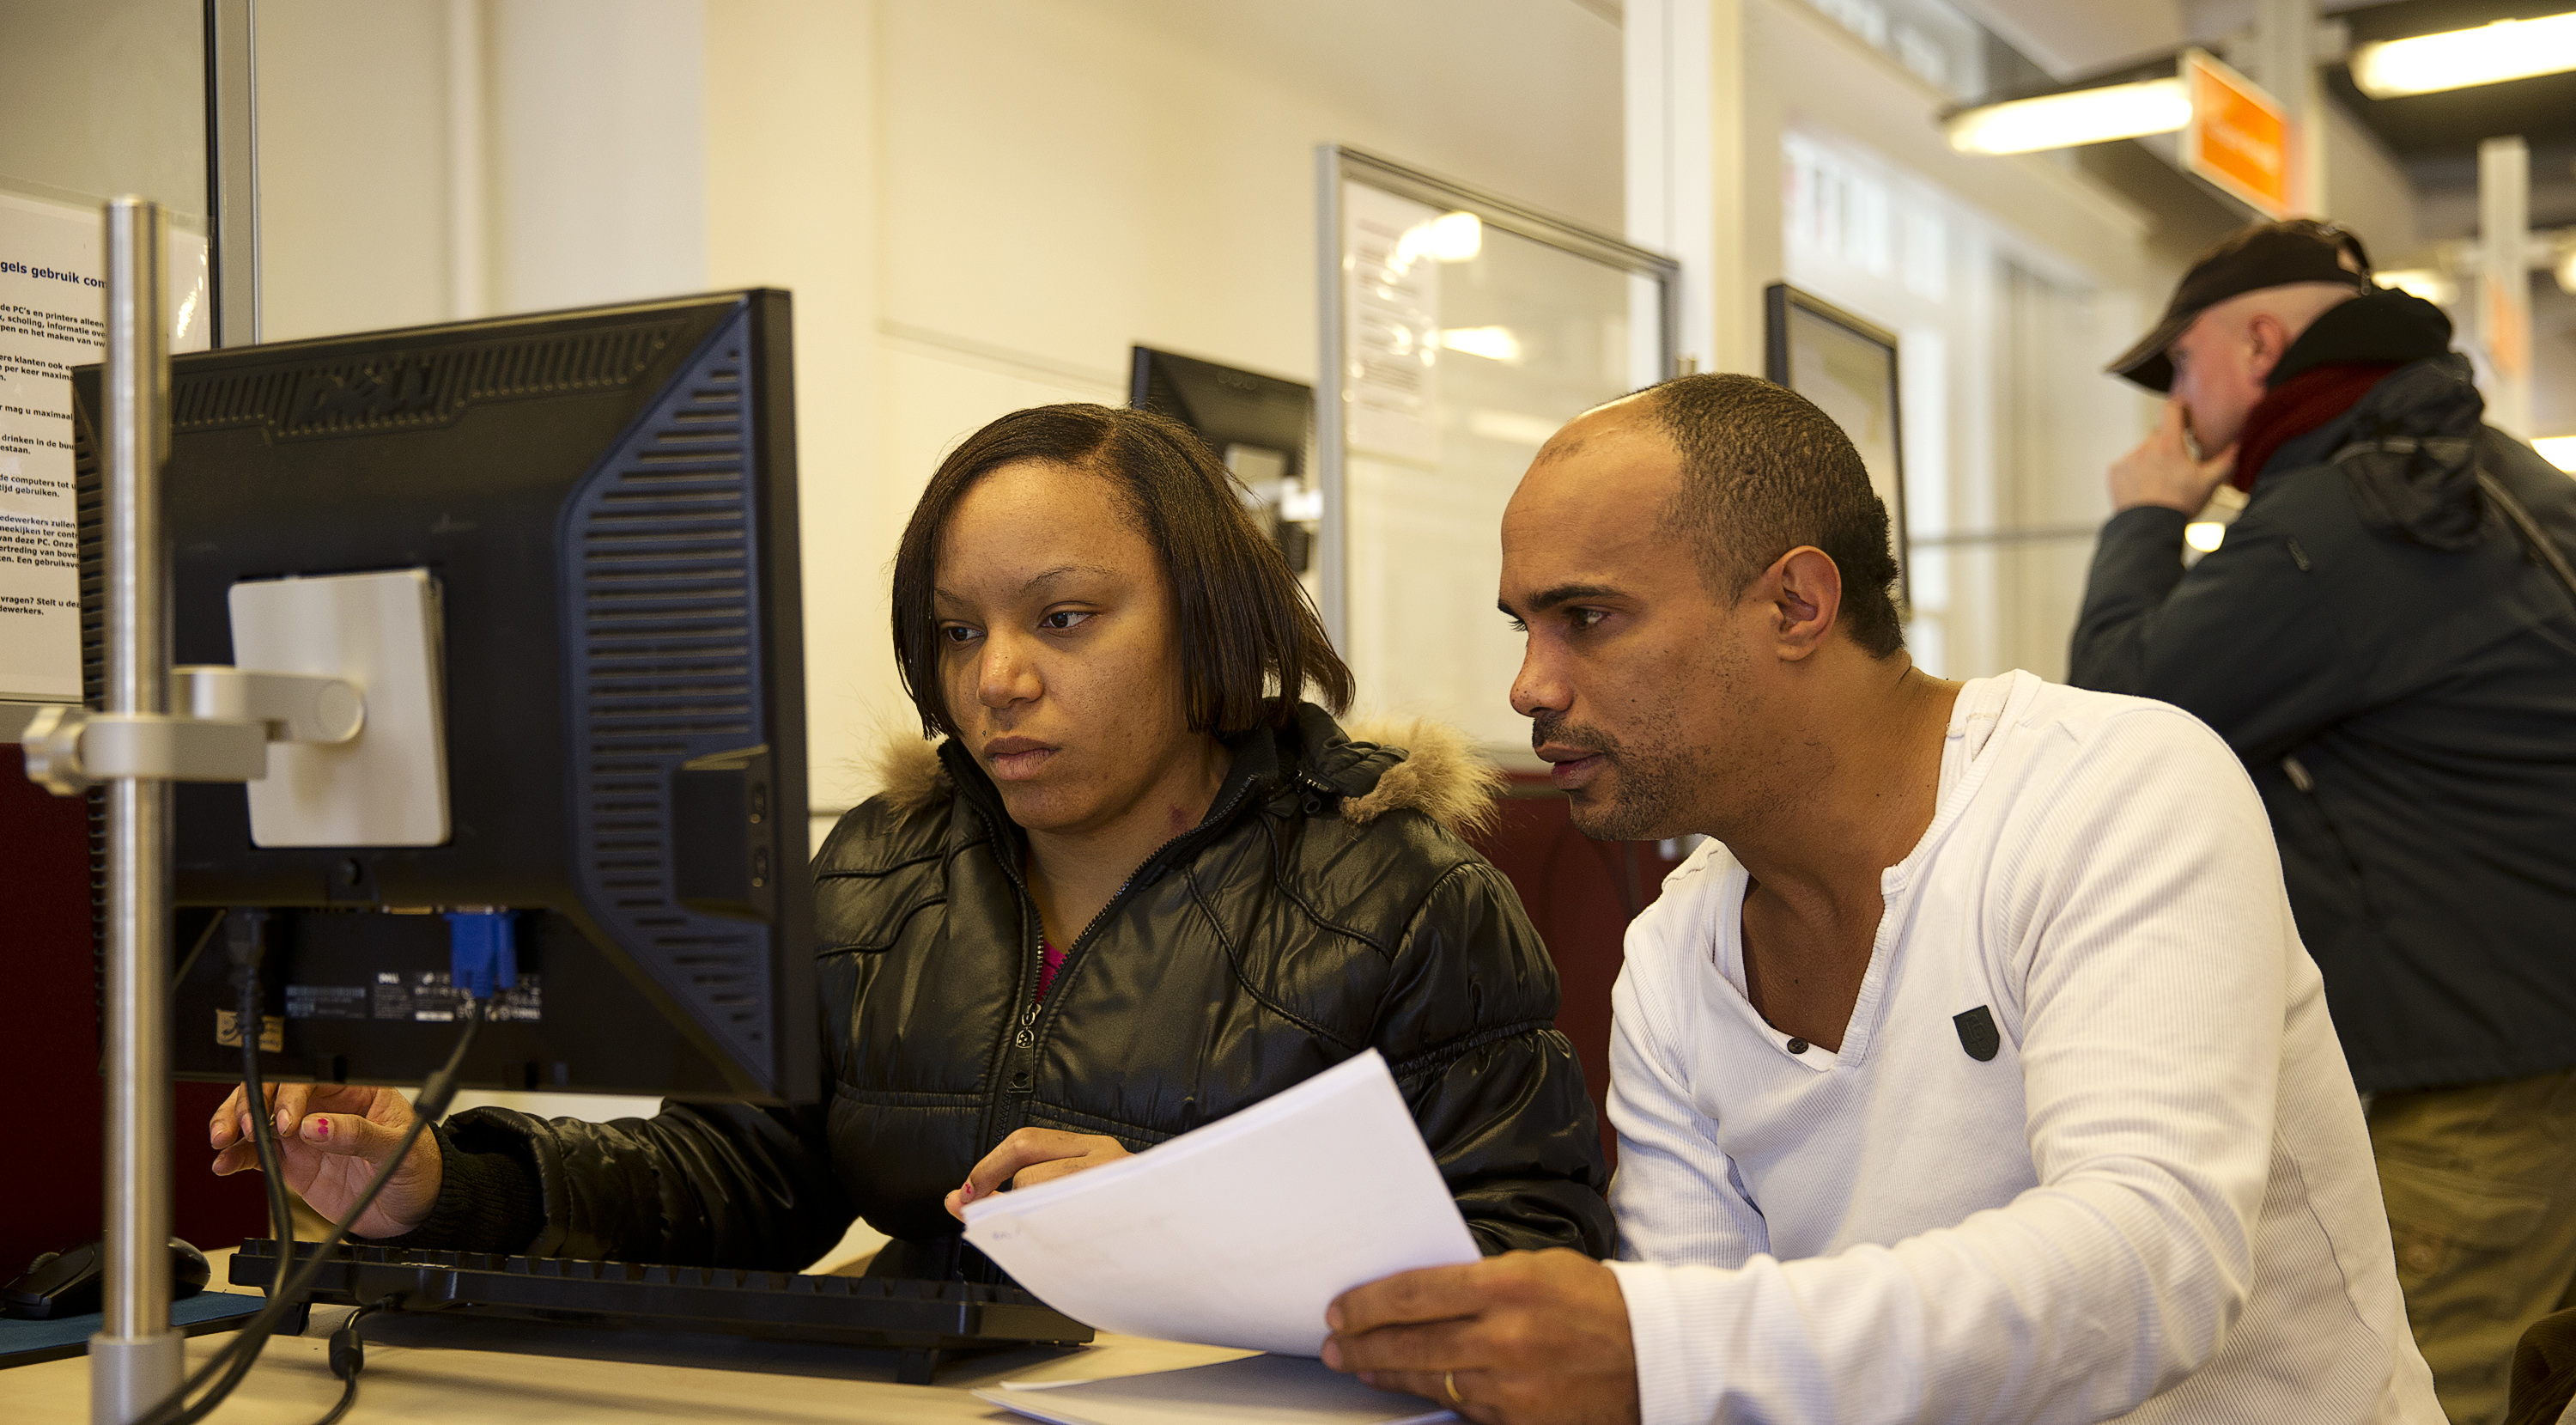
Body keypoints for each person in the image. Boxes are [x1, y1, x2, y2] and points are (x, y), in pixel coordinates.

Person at [207, 403, 1612, 1276]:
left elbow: (1529, 1260)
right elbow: (751, 1181)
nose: (997, 677)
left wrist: (1186, 1221)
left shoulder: (1404, 898)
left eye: (1063, 618)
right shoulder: (882, 872)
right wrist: (454, 1179)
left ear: (1209, 621)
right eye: (957, 632)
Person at [1321, 372, 2440, 1424]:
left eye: (1589, 618)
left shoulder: (2114, 788)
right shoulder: (1670, 959)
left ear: (1799, 605)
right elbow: (1718, 1365)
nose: (1532, 685)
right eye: (1525, 626)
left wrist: (1658, 1347)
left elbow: (2155, 1264)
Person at [2063, 220, 2576, 1425]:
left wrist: (2143, 517)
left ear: (2256, 342)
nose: (2177, 410)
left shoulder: (2352, 516)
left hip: (2475, 1084)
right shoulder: (2477, 469)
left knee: (2430, 1391)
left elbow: (2124, 722)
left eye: (2180, 367)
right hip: (2532, 1038)